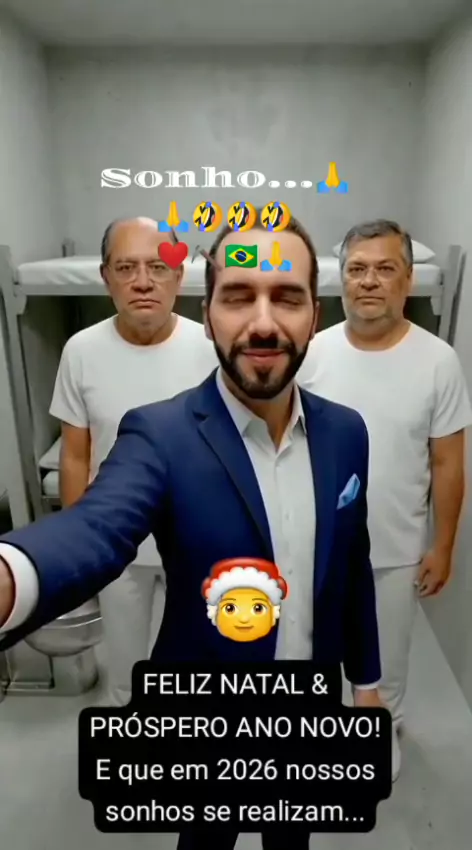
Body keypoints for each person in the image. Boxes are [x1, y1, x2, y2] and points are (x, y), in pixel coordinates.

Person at [0, 214, 383, 850]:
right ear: (208, 317)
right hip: (206, 705)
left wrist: (365, 683)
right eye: (238, 297)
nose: (263, 323)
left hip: (309, 700)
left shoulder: (347, 432)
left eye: (287, 298)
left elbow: (351, 564)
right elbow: (96, 526)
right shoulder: (160, 433)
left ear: (315, 316)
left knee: (291, 836)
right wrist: (13, 576)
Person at [297, 218, 472, 781]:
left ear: (408, 279)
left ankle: (382, 727)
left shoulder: (437, 361)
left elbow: (447, 461)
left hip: (395, 546)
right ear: (342, 278)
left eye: (384, 269)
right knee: (313, 648)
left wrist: (442, 546)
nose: (369, 281)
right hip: (314, 543)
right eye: (357, 269)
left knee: (387, 660)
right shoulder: (311, 353)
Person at [50, 216, 217, 705]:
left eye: (157, 267)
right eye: (126, 268)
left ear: (179, 276)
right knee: (126, 675)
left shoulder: (213, 349)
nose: (143, 281)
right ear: (106, 278)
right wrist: (79, 546)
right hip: (117, 544)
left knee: (200, 665)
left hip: (199, 540)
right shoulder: (81, 351)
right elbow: (75, 454)